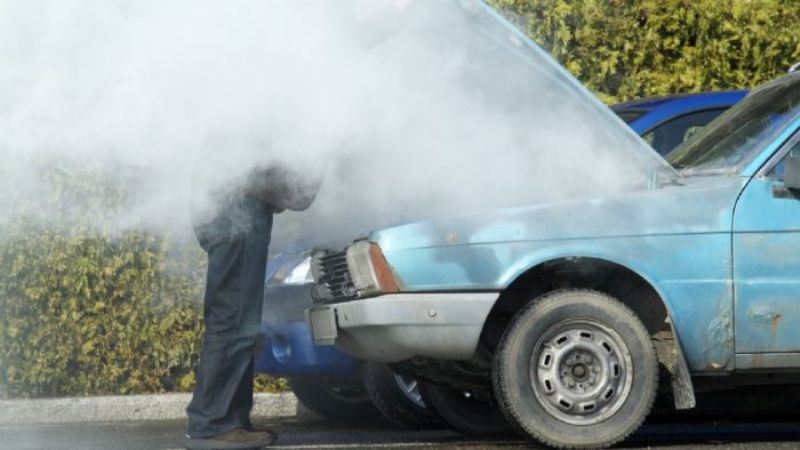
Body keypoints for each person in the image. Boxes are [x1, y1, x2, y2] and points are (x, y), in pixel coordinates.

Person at [184, 163, 321, 450]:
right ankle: (213, 424)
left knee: (236, 319)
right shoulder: (250, 128)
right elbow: (256, 170)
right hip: (236, 214)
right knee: (234, 320)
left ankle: (230, 421)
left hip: (229, 211)